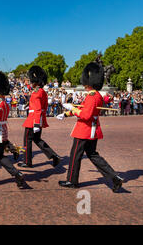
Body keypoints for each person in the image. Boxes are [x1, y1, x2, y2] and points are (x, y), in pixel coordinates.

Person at [57, 62, 123, 192]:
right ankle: (114, 177)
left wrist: (73, 109)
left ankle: (72, 180)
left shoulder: (92, 97)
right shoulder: (95, 96)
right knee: (93, 155)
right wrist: (66, 113)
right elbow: (81, 109)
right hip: (92, 130)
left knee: (75, 155)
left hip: (84, 130)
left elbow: (85, 115)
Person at [19, 66, 60, 168]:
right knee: (37, 139)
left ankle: (27, 161)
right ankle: (53, 155)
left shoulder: (37, 92)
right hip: (39, 118)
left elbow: (37, 108)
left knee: (27, 140)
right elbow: (43, 106)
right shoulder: (42, 91)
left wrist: (36, 123)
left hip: (33, 119)